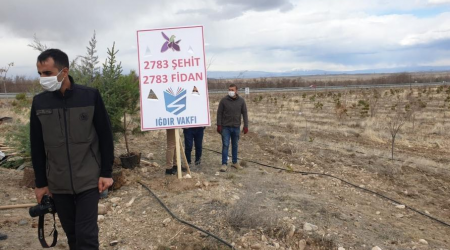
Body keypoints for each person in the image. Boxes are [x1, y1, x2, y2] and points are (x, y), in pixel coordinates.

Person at [30, 49, 114, 250]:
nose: (43, 78)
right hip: (58, 183)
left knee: (87, 236)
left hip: (88, 179)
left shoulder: (89, 96)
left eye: (48, 73)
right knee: (73, 235)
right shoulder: (39, 103)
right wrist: (41, 183)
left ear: (64, 71)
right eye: (40, 73)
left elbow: (105, 136)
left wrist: (106, 173)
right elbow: (37, 146)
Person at [216, 84, 249, 172]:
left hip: (236, 127)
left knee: (235, 145)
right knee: (225, 145)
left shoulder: (241, 101)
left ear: (236, 91)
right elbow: (219, 113)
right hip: (225, 127)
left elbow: (245, 113)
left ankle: (235, 162)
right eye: (229, 89)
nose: (230, 91)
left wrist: (246, 126)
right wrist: (219, 125)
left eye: (232, 90)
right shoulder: (223, 101)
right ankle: (224, 164)